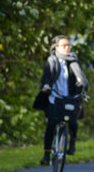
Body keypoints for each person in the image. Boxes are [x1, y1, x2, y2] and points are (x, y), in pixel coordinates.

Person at [38, 36, 89, 165]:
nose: (67, 47)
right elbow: (46, 77)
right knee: (51, 124)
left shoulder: (73, 60)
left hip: (70, 97)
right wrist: (45, 86)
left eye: (69, 45)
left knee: (73, 121)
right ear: (56, 48)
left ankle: (72, 141)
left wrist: (82, 84)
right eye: (64, 45)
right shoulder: (52, 60)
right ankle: (47, 154)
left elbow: (80, 76)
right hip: (55, 97)